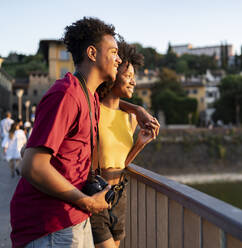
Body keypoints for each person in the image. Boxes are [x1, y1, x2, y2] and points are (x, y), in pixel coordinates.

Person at [10, 17, 158, 248]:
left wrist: (137, 110)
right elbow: (33, 166)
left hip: (73, 219)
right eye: (113, 52)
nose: (119, 59)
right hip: (51, 225)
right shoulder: (66, 94)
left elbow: (112, 103)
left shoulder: (88, 97)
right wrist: (86, 202)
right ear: (92, 53)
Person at [92, 38, 158, 248]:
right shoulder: (92, 109)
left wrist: (140, 143)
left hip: (119, 194)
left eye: (133, 77)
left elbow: (121, 162)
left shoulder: (129, 118)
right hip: (94, 193)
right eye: (128, 76)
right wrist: (137, 107)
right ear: (112, 76)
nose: (133, 81)